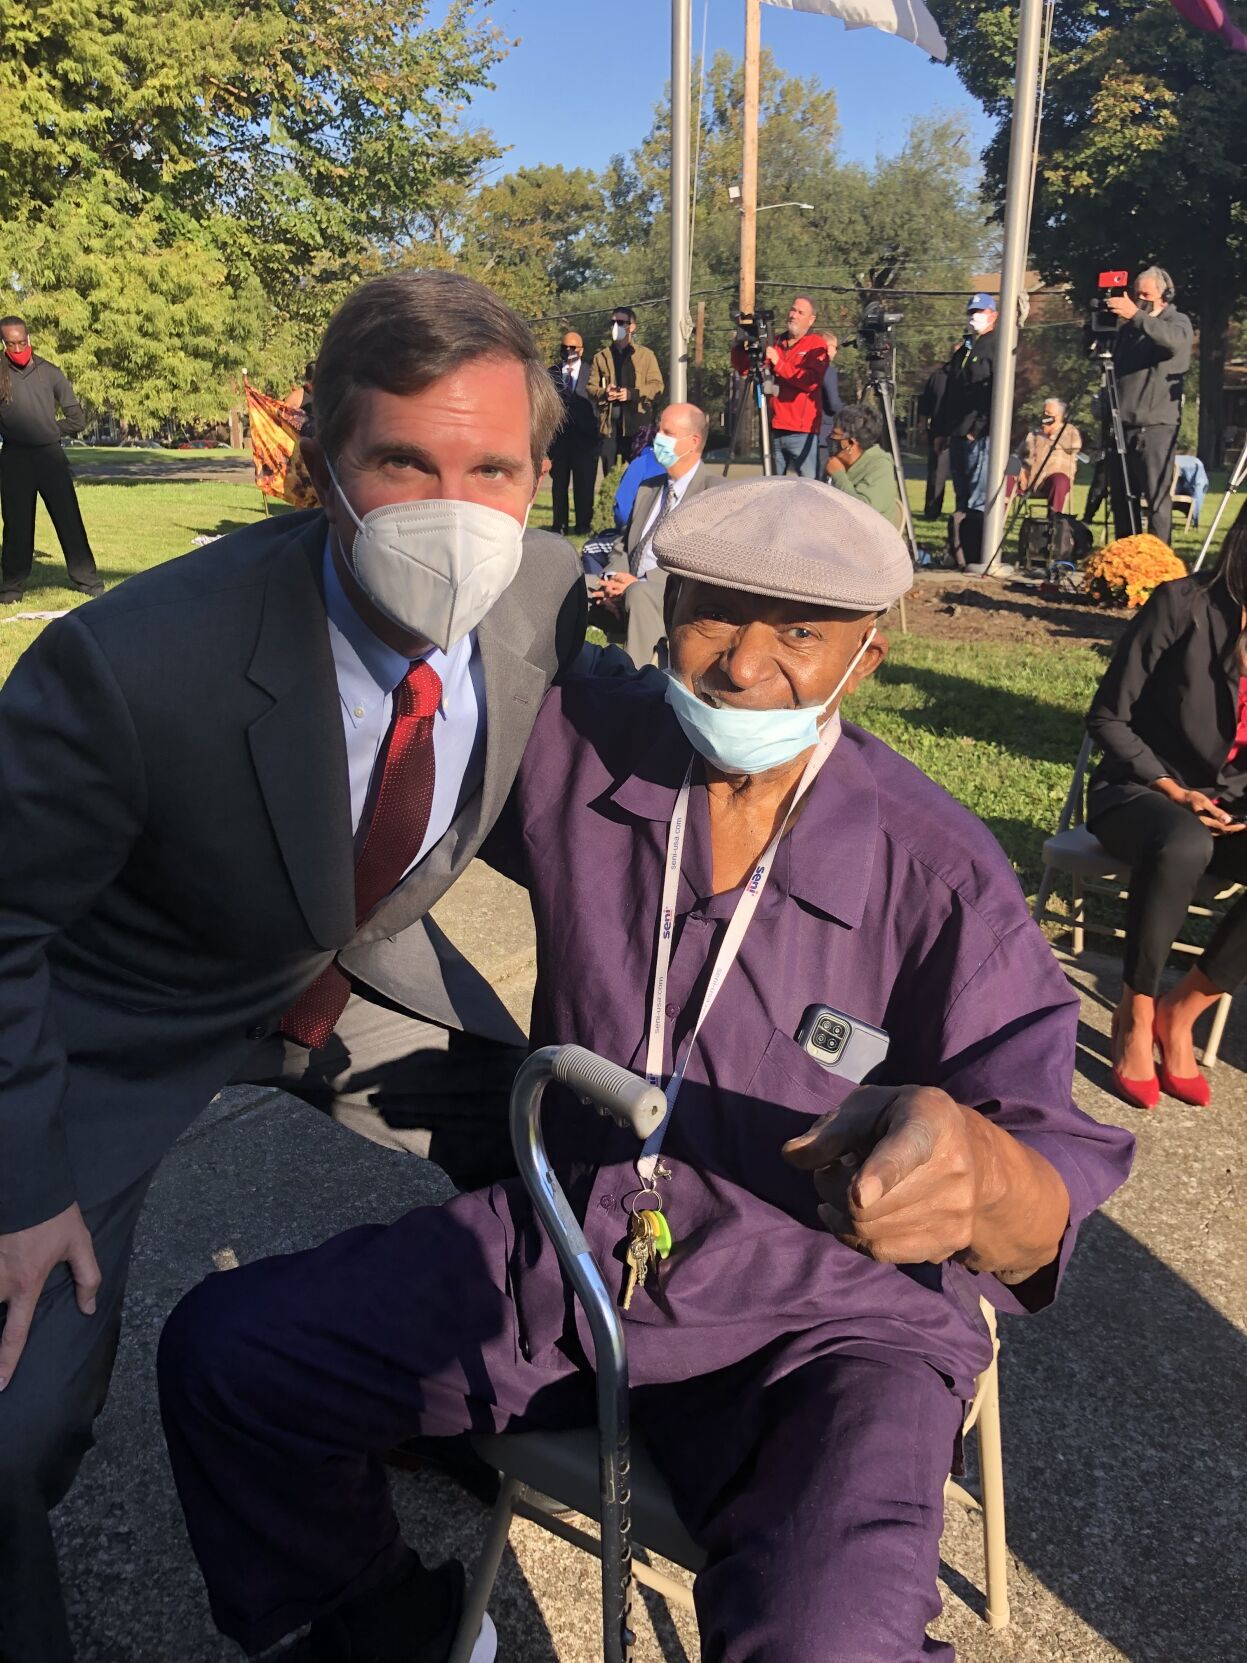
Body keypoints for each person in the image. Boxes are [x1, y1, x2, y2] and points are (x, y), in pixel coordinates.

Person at [159, 476, 1133, 1663]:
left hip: (822, 1324)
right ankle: (387, 1626)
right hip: (575, 1244)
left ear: (865, 659)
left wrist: (979, 1176)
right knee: (233, 1355)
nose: (740, 667)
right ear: (661, 611)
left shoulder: (938, 873)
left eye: (799, 635)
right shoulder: (584, 745)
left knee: (825, 1635)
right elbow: (443, 638)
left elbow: (1048, 1180)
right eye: (713, 616)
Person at [0, 269, 589, 1663]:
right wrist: (22, 1188)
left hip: (350, 971)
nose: (455, 507)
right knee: (14, 1422)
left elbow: (573, 789)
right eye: (403, 459)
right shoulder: (130, 664)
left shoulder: (545, 601)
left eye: (490, 465)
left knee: (547, 1152)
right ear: (320, 461)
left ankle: (451, 1406)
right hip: (114, 1017)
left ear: (534, 472)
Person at [1086, 500, 1247, 1111]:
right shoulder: (1182, 604)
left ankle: (1183, 1013)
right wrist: (1174, 790)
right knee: (1186, 842)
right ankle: (1136, 1010)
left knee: (1202, 837)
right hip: (1139, 793)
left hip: (1227, 805)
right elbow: (1108, 718)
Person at [594, 401, 716, 668]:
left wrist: (636, 582)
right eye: (659, 431)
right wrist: (613, 579)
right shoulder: (649, 488)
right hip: (628, 581)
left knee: (639, 594)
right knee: (575, 586)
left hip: (674, 592)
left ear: (693, 441)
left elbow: (700, 560)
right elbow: (623, 544)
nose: (657, 439)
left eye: (668, 433)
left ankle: (632, 685)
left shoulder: (713, 493)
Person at [0, 315, 103, 604]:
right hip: (14, 460)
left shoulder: (51, 373)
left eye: (22, 342)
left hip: (50, 457)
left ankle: (88, 580)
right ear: (4, 343)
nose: (18, 348)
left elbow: (76, 419)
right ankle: (11, 588)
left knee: (68, 518)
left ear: (29, 339)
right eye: (11, 344)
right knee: (17, 525)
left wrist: (47, 429)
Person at [1102, 266, 1192, 547]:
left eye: (1146, 294)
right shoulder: (1129, 329)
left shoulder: (1177, 321)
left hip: (1155, 429)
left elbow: (1173, 343)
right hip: (1122, 427)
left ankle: (1158, 564)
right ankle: (1125, 561)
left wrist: (1137, 316)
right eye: (1135, 294)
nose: (1138, 300)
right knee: (1121, 498)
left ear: (1165, 294)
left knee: (1156, 500)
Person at [731, 295, 829, 478]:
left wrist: (779, 363)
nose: (794, 315)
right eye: (793, 310)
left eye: (801, 312)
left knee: (810, 490)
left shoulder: (817, 345)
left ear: (811, 319)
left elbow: (810, 382)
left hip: (802, 432)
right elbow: (745, 370)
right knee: (774, 489)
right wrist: (739, 345)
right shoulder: (774, 342)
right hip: (774, 428)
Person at [942, 293, 998, 566]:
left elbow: (994, 393)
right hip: (957, 431)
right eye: (971, 311)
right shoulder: (965, 348)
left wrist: (979, 428)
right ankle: (960, 552)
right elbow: (951, 390)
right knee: (961, 496)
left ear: (993, 315)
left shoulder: (994, 346)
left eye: (980, 311)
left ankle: (977, 553)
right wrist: (942, 430)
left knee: (978, 496)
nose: (974, 316)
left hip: (979, 434)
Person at [589, 306, 664, 475]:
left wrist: (632, 394)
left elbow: (657, 386)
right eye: (613, 323)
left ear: (632, 327)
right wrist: (604, 393)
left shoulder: (646, 355)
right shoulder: (601, 357)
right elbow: (590, 388)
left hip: (636, 427)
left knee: (639, 474)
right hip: (609, 427)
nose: (616, 327)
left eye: (621, 323)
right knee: (611, 475)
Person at [547, 330, 598, 535]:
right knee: (559, 484)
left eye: (573, 348)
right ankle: (559, 524)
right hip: (559, 439)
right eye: (564, 347)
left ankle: (583, 525)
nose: (568, 351)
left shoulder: (592, 372)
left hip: (585, 438)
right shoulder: (551, 373)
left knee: (584, 484)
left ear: (581, 350)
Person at [824, 401, 902, 527]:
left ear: (850, 443)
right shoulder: (838, 462)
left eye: (835, 434)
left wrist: (838, 476)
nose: (830, 438)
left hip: (871, 540)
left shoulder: (880, 466)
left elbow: (863, 510)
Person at [1015, 399, 1082, 514]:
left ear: (1059, 416)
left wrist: (1053, 433)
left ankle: (1053, 522)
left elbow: (1075, 446)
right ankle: (995, 523)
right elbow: (1018, 454)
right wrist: (1019, 470)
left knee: (1060, 481)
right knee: (1007, 476)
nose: (1045, 416)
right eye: (1044, 413)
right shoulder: (1034, 433)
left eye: (1049, 414)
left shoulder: (1069, 430)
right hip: (1029, 478)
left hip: (1052, 478)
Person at [917, 356, 953, 520]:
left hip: (940, 430)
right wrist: (924, 427)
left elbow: (924, 405)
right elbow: (925, 404)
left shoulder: (938, 376)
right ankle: (933, 510)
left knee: (937, 474)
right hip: (944, 431)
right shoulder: (941, 377)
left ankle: (932, 511)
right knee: (937, 474)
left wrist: (924, 427)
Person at [817, 330, 843, 477]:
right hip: (823, 431)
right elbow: (833, 403)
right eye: (835, 347)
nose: (836, 352)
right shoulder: (828, 370)